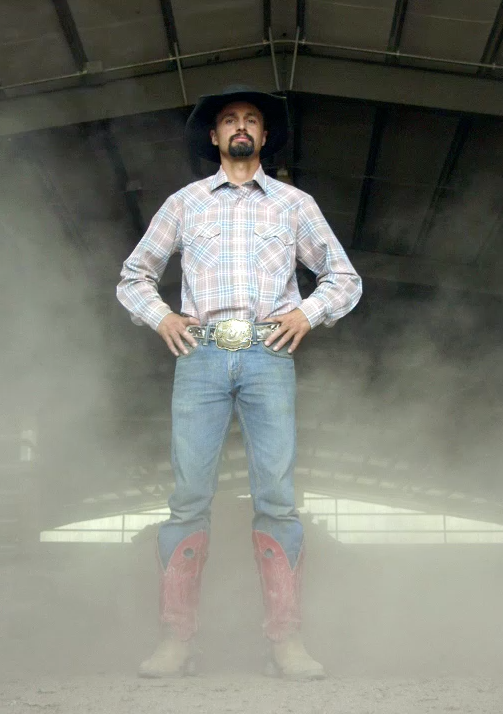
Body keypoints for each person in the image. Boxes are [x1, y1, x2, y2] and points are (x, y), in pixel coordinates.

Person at [116, 85, 363, 680]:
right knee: (188, 497)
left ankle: (286, 643)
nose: (241, 127)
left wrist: (307, 313)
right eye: (230, 120)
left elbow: (344, 277)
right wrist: (163, 317)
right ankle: (176, 642)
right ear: (214, 136)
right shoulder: (185, 203)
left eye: (252, 119)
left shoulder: (294, 204)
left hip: (267, 353)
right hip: (200, 353)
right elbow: (134, 275)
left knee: (275, 495)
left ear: (265, 135)